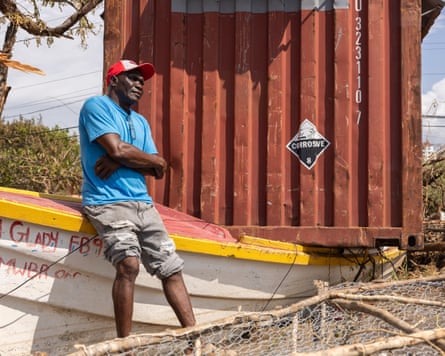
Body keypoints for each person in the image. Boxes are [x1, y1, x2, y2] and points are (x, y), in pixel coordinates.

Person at [78, 59, 196, 338]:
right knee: (129, 264)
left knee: (171, 267)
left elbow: (158, 168)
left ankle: (195, 339)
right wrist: (127, 156)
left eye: (142, 80)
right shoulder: (96, 106)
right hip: (107, 202)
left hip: (144, 204)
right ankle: (125, 346)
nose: (140, 84)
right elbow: (118, 148)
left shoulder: (140, 121)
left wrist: (122, 160)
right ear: (114, 80)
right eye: (132, 78)